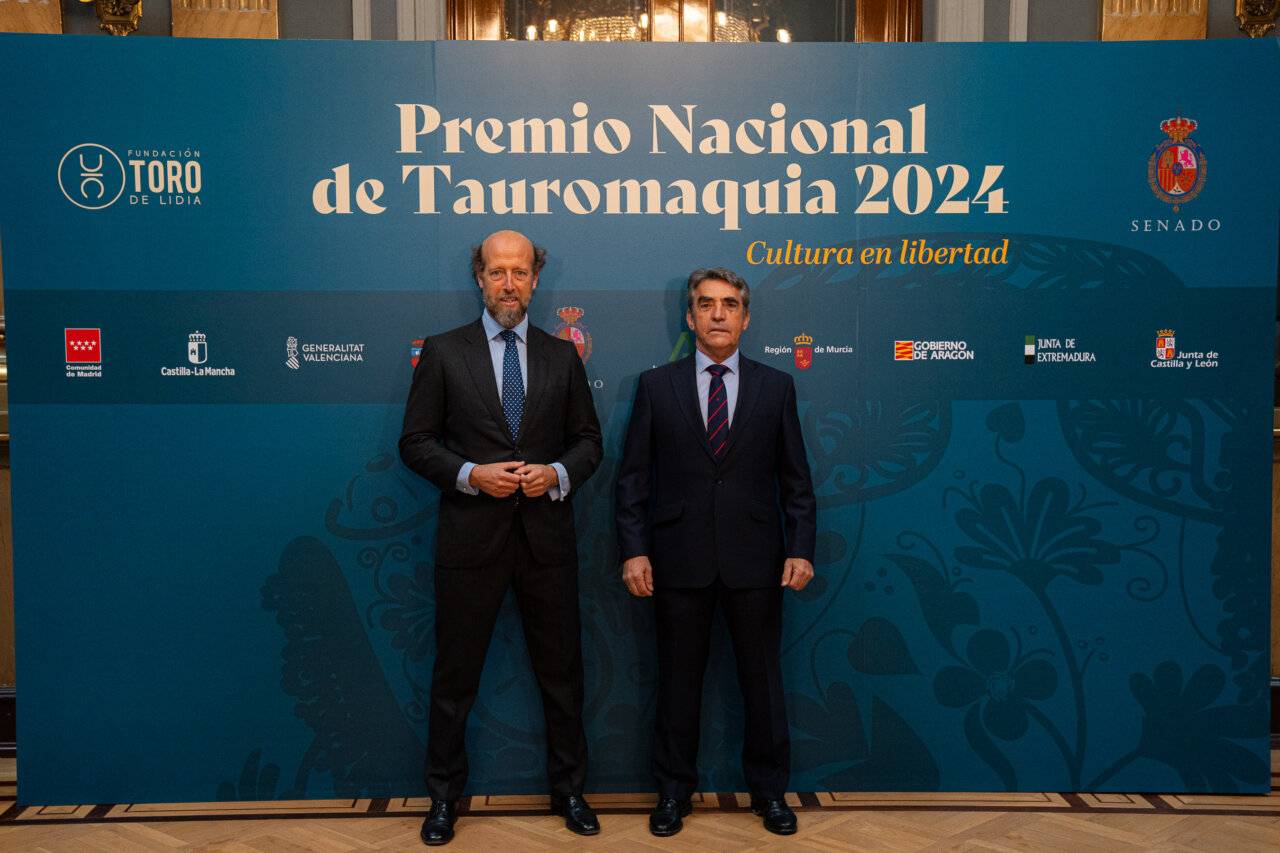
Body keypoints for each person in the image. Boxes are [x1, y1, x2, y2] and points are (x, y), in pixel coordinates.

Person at [400, 230, 603, 846]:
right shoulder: (442, 352)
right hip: (470, 543)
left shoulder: (562, 356)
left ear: (535, 280)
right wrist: (471, 474)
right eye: (496, 272)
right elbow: (415, 443)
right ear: (479, 278)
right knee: (454, 679)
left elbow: (589, 442)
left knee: (562, 679)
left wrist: (556, 473)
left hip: (547, 544)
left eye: (519, 272)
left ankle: (570, 792)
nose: (508, 284)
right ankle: (443, 799)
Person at [615, 267, 817, 837]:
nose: (719, 313)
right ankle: (672, 793)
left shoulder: (777, 386)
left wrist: (801, 548)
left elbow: (796, 481)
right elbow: (632, 480)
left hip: (757, 560)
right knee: (678, 684)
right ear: (690, 317)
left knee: (763, 684)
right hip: (677, 560)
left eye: (729, 304)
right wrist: (634, 551)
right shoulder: (656, 386)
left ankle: (770, 794)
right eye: (706, 304)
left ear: (745, 318)